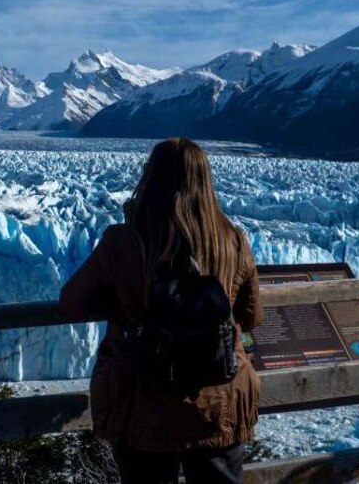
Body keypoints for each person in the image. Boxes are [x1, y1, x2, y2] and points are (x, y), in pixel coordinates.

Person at [59, 138, 263, 484]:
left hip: (143, 397)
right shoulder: (233, 240)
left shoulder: (125, 241)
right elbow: (252, 315)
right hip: (217, 396)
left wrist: (125, 301)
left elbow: (72, 303)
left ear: (150, 178)